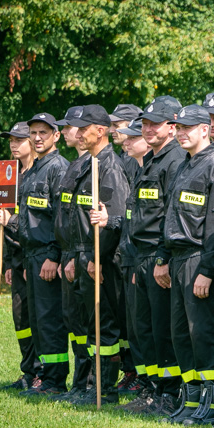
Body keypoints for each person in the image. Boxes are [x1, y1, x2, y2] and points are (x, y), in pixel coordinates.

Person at [160, 104, 214, 425]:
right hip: (177, 260)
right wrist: (164, 259)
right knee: (181, 334)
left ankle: (212, 404)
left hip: (199, 261)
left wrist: (207, 270)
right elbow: (171, 215)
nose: (180, 133)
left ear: (204, 129)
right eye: (178, 128)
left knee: (204, 332)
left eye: (187, 128)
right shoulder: (184, 165)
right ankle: (190, 400)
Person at [121, 96, 187, 416]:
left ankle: (170, 394)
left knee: (164, 331)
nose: (147, 129)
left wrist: (162, 258)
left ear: (172, 127)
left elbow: (171, 216)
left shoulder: (175, 161)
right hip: (141, 256)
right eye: (144, 123)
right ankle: (153, 390)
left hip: (161, 258)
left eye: (154, 123)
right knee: (145, 329)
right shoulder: (151, 159)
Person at [0, 113, 70, 397]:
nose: (37, 137)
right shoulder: (34, 170)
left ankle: (53, 381)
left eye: (44, 132)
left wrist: (53, 255)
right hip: (31, 256)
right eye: (33, 132)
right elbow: (30, 220)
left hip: (47, 257)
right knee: (38, 320)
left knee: (50, 321)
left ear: (56, 135)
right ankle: (43, 376)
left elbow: (60, 218)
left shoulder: (58, 168)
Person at [66, 104, 130, 406]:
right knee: (91, 326)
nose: (77, 134)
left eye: (83, 128)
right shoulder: (90, 163)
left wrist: (97, 259)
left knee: (104, 327)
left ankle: (104, 389)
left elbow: (114, 220)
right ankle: (92, 386)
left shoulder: (109, 167)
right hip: (86, 258)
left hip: (103, 262)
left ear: (100, 131)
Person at [51, 106, 94, 403]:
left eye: (70, 127)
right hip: (71, 253)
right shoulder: (73, 166)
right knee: (75, 324)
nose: (68, 132)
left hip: (84, 254)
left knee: (91, 325)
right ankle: (80, 382)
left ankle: (91, 383)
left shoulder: (96, 165)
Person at [0, 121, 39, 390]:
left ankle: (42, 373)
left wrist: (11, 220)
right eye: (10, 140)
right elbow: (9, 224)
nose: (13, 144)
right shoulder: (10, 176)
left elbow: (32, 221)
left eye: (18, 139)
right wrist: (8, 263)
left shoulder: (39, 173)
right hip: (17, 257)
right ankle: (28, 369)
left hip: (35, 256)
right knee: (20, 318)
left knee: (37, 318)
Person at [114, 118, 152, 397]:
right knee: (137, 327)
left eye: (131, 136)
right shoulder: (139, 171)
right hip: (132, 257)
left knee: (148, 328)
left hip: (147, 259)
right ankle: (141, 378)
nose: (125, 141)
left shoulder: (156, 168)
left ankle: (153, 386)